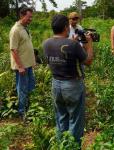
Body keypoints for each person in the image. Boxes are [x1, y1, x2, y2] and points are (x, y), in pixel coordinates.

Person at [43, 14, 93, 147]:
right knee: (75, 120)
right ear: (66, 27)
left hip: (56, 84)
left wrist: (73, 41)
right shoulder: (72, 45)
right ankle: (73, 146)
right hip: (72, 85)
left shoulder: (46, 43)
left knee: (61, 117)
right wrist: (89, 44)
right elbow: (88, 61)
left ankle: (61, 144)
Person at [9, 7, 36, 120]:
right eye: (29, 17)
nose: (30, 19)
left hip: (28, 65)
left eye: (31, 17)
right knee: (22, 89)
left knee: (30, 87)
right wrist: (20, 66)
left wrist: (33, 60)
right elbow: (13, 50)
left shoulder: (25, 28)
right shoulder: (15, 30)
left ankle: (28, 108)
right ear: (22, 15)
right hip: (22, 67)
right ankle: (21, 113)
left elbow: (26, 47)